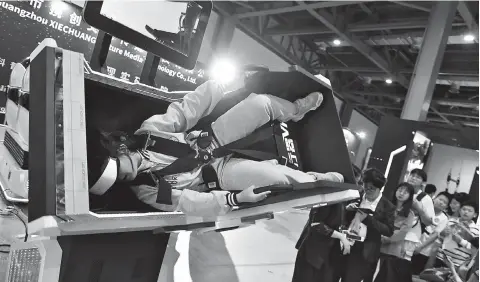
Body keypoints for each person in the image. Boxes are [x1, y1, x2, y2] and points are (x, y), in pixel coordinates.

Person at [87, 79, 344, 217]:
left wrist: (221, 85)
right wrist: (234, 199)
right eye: (119, 179)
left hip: (212, 140)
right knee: (280, 182)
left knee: (261, 104)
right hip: (216, 173)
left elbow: (188, 109)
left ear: (119, 150)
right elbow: (190, 203)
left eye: (119, 169)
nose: (125, 175)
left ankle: (296, 111)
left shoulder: (150, 132)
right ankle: (311, 179)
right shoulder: (147, 190)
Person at [338, 168, 395, 282]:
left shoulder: (387, 206)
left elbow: (389, 230)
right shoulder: (355, 196)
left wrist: (368, 218)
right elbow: (340, 217)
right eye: (365, 187)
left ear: (380, 188)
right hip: (345, 243)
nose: (367, 191)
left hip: (366, 250)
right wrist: (347, 210)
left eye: (371, 189)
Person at [292, 203, 350, 282]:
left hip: (327, 252)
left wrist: (342, 231)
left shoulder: (340, 198)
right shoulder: (327, 197)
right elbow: (316, 224)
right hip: (313, 253)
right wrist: (341, 236)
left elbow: (332, 221)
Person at [374, 182, 416, 282]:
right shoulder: (385, 205)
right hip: (377, 244)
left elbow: (403, 232)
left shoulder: (409, 214)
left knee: (385, 277)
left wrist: (388, 239)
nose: (401, 193)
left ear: (410, 196)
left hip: (392, 249)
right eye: (400, 190)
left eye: (405, 192)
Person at [411, 191, 451, 274]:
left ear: (446, 206)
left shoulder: (444, 218)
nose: (441, 202)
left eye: (444, 202)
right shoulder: (425, 208)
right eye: (440, 199)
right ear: (434, 198)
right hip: (411, 242)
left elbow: (436, 235)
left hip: (424, 250)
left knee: (414, 272)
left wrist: (420, 247)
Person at [437, 201, 479, 268]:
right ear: (459, 211)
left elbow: (475, 250)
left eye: (469, 211)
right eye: (464, 209)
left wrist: (460, 241)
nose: (466, 212)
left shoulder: (476, 230)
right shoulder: (451, 221)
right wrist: (443, 233)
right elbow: (440, 238)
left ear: (475, 215)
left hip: (458, 263)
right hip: (441, 257)